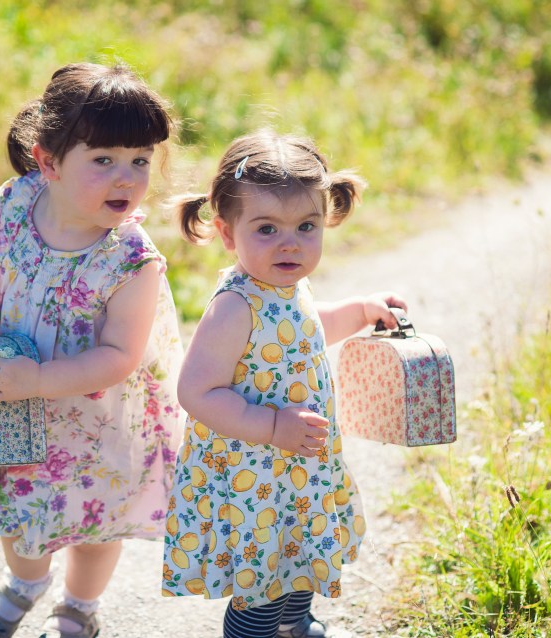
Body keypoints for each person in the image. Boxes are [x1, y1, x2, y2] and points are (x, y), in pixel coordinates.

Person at [0, 62, 183, 638]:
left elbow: (121, 355)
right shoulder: (19, 202)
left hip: (95, 423)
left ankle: (79, 607)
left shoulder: (131, 260)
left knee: (97, 525)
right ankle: (23, 583)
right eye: (103, 161)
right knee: (19, 514)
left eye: (139, 161)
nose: (126, 179)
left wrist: (40, 380)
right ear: (47, 161)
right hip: (13, 405)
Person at [161, 130, 407, 638]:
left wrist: (362, 311)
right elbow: (196, 392)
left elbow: (310, 331)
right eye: (267, 228)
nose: (290, 242)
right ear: (228, 234)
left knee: (298, 555)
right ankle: (266, 628)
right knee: (262, 585)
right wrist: (271, 426)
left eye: (306, 225)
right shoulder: (236, 306)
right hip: (255, 470)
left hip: (296, 467)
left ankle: (296, 625)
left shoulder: (291, 286)